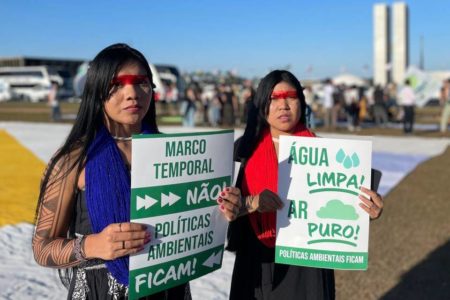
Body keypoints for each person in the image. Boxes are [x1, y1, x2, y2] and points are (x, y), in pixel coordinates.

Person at [32, 43, 191, 299]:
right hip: (100, 291)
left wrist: (222, 207)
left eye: (141, 82)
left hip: (167, 287)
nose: (132, 93)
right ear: (97, 91)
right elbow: (42, 248)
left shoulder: (172, 152)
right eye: (117, 84)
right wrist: (92, 245)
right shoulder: (73, 159)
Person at [216, 70, 383, 300]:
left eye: (291, 97)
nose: (283, 105)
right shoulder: (242, 151)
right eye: (273, 98)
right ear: (261, 104)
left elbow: (342, 207)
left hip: (306, 265)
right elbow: (222, 211)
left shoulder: (326, 155)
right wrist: (249, 203)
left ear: (301, 102)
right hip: (256, 261)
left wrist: (365, 210)